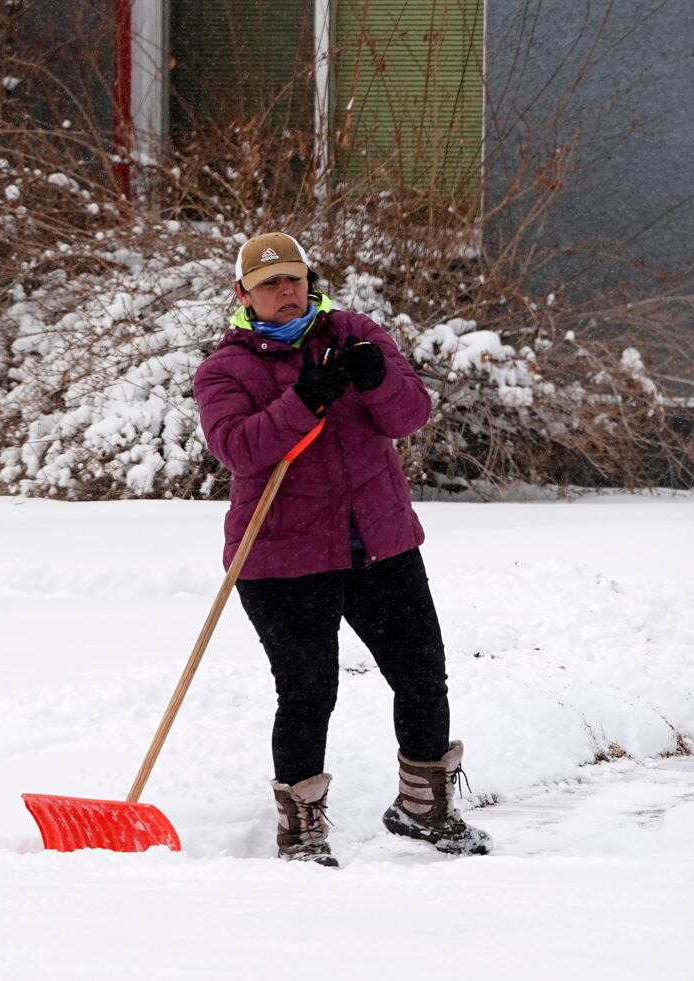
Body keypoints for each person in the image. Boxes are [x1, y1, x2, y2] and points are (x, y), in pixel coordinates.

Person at [193, 232, 491, 867]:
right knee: (307, 691)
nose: (285, 291)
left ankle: (423, 809)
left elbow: (410, 415)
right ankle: (301, 832)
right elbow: (239, 449)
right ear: (242, 293)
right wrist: (305, 399)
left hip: (377, 542)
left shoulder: (354, 333)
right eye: (269, 282)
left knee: (420, 673)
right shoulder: (225, 370)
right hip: (281, 557)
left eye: (294, 278)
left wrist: (377, 379)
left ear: (310, 280)